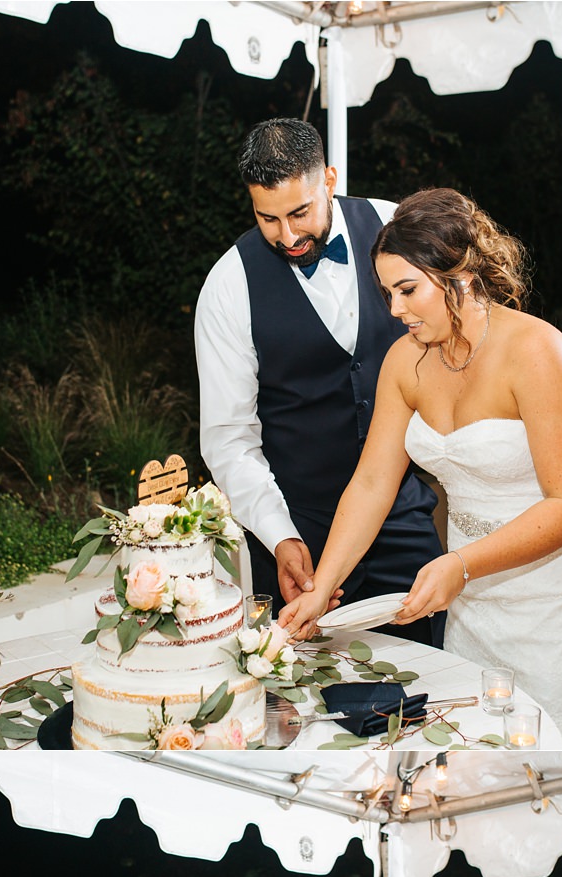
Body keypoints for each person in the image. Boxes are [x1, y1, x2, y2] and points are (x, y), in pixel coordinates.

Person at [279, 187, 562, 751]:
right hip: (473, 590)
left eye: (408, 290)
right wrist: (323, 587)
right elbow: (371, 483)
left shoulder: (539, 352)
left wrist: (461, 564)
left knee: (554, 747)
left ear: (459, 275)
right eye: (387, 293)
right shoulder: (404, 361)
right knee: (478, 739)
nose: (395, 311)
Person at [194, 118, 446, 647]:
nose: (287, 236)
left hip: (401, 511)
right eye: (268, 218)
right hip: (297, 532)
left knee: (430, 674)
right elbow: (229, 438)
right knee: (309, 699)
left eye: (299, 212)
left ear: (328, 179)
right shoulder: (228, 285)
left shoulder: (390, 226)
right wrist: (279, 533)